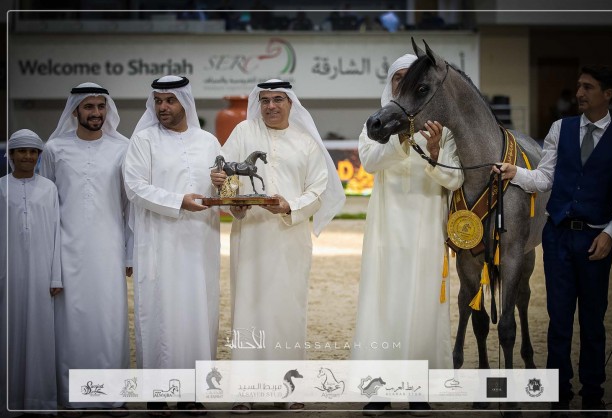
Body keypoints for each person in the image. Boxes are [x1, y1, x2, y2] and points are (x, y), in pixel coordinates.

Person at [496, 65, 612, 416]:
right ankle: (559, 394)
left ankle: (593, 394)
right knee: (559, 319)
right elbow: (544, 178)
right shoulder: (560, 128)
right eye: (579, 86)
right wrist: (515, 172)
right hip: (557, 237)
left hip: (596, 240)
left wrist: (610, 233)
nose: (580, 93)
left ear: (608, 94)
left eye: (588, 87)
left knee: (593, 321)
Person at [210, 79, 345, 413]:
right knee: (248, 309)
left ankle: (289, 389)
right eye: (265, 100)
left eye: (278, 100)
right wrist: (228, 196)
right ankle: (245, 391)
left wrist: (289, 206)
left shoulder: (306, 142)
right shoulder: (243, 132)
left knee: (288, 311)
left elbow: (318, 190)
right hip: (250, 237)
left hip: (290, 239)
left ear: (290, 103)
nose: (271, 106)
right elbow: (224, 175)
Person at [350, 54, 463, 416]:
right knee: (382, 307)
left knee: (424, 308)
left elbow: (455, 179)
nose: (403, 82)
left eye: (409, 77)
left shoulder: (442, 130)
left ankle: (418, 391)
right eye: (398, 77)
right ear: (391, 83)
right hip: (386, 235)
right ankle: (378, 391)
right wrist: (400, 138)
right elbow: (371, 162)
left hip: (428, 233)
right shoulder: (375, 124)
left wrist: (435, 153)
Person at [124, 75, 221, 416]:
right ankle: (158, 392)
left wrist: (223, 185)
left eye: (170, 100)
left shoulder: (209, 142)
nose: (162, 107)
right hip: (159, 243)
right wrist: (178, 200)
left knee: (198, 313)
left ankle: (192, 393)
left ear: (185, 102)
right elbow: (134, 187)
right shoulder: (144, 140)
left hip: (200, 244)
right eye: (158, 101)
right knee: (160, 314)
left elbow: (220, 191)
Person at [40, 82, 132, 416]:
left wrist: (130, 252)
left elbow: (129, 206)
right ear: (75, 110)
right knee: (71, 326)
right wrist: (49, 261)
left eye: (100, 106)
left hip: (110, 250)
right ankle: (73, 394)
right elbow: (47, 204)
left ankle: (112, 395)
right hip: (67, 252)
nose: (95, 113)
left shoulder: (123, 147)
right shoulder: (54, 149)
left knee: (109, 323)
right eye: (89, 107)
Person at [1, 130, 62, 413]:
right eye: (21, 151)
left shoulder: (49, 188)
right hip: (7, 275)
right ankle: (10, 401)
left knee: (40, 336)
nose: (27, 156)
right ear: (11, 155)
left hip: (41, 274)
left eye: (33, 151)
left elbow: (56, 234)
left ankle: (40, 401)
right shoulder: (1, 187)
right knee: (8, 334)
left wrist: (55, 276)